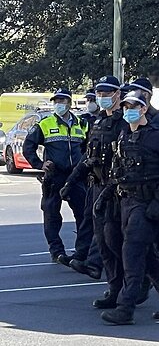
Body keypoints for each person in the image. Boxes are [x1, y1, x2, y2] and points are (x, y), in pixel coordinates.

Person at [100, 90, 159, 325]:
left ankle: (125, 307)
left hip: (148, 204)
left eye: (134, 106)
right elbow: (119, 171)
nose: (129, 109)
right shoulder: (124, 135)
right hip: (125, 202)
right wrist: (107, 193)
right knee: (145, 254)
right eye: (126, 106)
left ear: (143, 109)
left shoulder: (158, 136)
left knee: (132, 253)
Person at [63, 77, 126, 281]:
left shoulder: (123, 122)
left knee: (116, 236)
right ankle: (98, 268)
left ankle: (144, 280)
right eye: (99, 94)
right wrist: (71, 180)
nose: (101, 98)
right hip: (97, 183)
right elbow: (89, 156)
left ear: (117, 94)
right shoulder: (98, 122)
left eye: (106, 94)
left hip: (115, 187)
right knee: (99, 231)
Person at [23, 88, 88, 266]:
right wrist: (38, 164)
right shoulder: (45, 123)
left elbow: (88, 147)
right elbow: (28, 146)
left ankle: (82, 251)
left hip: (75, 176)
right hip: (54, 176)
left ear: (69, 103)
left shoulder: (81, 124)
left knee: (83, 214)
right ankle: (56, 251)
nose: (59, 104)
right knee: (51, 214)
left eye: (62, 101)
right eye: (56, 101)